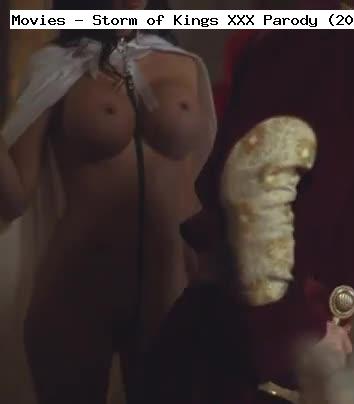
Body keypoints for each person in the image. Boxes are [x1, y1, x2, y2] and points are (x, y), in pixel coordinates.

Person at [140, 1, 354, 403]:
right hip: (240, 362)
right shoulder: (319, 44)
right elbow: (257, 188)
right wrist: (296, 334)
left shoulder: (348, 50)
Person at [0, 0, 216, 402]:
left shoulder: (185, 64)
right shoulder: (55, 66)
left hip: (171, 286)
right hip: (78, 287)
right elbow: (14, 199)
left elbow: (208, 182)